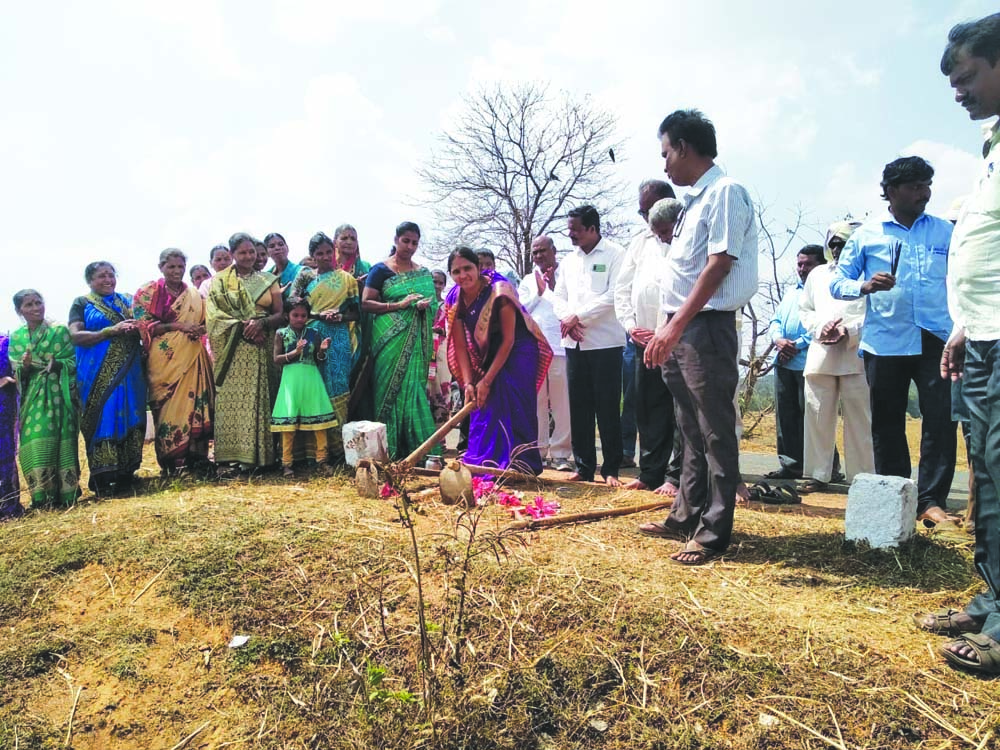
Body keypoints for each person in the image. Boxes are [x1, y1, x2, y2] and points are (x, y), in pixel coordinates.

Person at [639, 109, 758, 565]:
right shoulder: (693, 203)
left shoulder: (726, 193)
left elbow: (718, 264)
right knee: (688, 427)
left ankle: (714, 532)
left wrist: (675, 324)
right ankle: (685, 515)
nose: (665, 163)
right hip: (684, 325)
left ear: (684, 147)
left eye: (666, 152)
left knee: (714, 428)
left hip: (704, 326)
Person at [922, 12, 1000, 674]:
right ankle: (994, 598)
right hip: (980, 340)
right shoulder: (992, 147)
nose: (958, 92)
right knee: (990, 480)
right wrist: (962, 325)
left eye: (968, 76)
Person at [830, 156, 957, 527]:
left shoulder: (944, 232)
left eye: (927, 185)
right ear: (891, 191)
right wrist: (864, 286)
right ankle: (895, 496)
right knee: (886, 423)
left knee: (940, 420)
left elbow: (960, 279)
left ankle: (931, 501)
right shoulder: (867, 235)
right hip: (885, 341)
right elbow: (838, 283)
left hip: (936, 337)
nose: (925, 193)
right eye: (916, 186)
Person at [446, 247, 552, 474]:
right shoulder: (455, 298)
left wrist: (486, 381)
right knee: (481, 405)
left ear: (478, 268)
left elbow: (509, 339)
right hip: (489, 353)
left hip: (518, 350)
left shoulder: (499, 290)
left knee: (512, 404)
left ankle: (521, 465)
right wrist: (468, 384)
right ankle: (487, 463)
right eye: (456, 271)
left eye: (468, 268)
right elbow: (461, 347)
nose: (463, 275)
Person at [552, 204, 627, 486]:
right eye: (569, 230)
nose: (571, 235)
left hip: (605, 343)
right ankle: (583, 466)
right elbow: (557, 296)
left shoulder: (615, 254)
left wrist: (578, 317)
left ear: (592, 228)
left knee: (607, 407)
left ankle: (611, 469)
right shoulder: (569, 261)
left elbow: (614, 295)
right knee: (579, 407)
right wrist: (567, 318)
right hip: (573, 344)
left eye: (576, 230)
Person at [615, 185, 681, 494]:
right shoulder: (639, 242)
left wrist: (667, 330)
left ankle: (676, 477)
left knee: (682, 410)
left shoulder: (686, 236)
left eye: (650, 210)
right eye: (642, 212)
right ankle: (651, 473)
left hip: (679, 337)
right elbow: (623, 289)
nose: (647, 218)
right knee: (648, 407)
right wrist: (630, 326)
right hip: (642, 340)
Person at [798, 225, 873, 493]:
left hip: (858, 353)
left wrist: (850, 331)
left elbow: (876, 313)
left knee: (860, 419)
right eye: (834, 243)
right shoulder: (818, 274)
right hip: (821, 354)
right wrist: (822, 327)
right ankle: (819, 474)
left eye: (845, 243)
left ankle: (862, 477)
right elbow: (805, 310)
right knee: (817, 415)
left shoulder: (869, 272)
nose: (838, 249)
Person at [361, 222, 440, 460]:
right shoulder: (380, 270)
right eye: (406, 240)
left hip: (416, 341)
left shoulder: (423, 272)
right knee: (387, 391)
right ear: (396, 239)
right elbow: (366, 303)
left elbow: (434, 304)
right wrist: (399, 305)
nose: (410, 247)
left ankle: (419, 451)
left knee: (414, 390)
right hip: (389, 341)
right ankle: (389, 449)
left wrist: (425, 306)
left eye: (415, 242)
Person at [133, 249, 215, 475]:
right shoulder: (148, 292)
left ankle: (198, 459)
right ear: (161, 267)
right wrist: (177, 327)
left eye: (180, 267)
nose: (176, 271)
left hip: (192, 355)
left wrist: (198, 329)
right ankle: (173, 463)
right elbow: (144, 326)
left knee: (195, 403)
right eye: (171, 267)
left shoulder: (194, 296)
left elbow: (205, 321)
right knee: (169, 409)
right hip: (164, 361)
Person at [68, 262, 147, 495]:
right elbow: (75, 335)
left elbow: (147, 322)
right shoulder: (82, 303)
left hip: (131, 371)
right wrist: (109, 331)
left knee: (131, 413)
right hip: (96, 374)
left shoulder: (128, 300)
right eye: (101, 276)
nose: (108, 280)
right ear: (90, 281)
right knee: (103, 416)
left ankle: (126, 473)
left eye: (111, 275)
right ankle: (102, 477)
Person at [207, 232, 283, 472]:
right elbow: (214, 316)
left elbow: (281, 314)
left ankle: (264, 458)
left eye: (252, 252)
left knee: (264, 396)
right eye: (242, 252)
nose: (248, 256)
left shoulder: (269, 280)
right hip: (233, 349)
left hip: (263, 344)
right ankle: (234, 456)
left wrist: (261, 324)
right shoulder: (219, 282)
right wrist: (243, 326)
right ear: (232, 255)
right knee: (235, 401)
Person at [8, 290, 81, 510]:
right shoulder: (17, 337)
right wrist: (26, 365)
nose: (36, 308)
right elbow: (17, 370)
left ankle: (66, 496)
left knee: (61, 443)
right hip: (32, 400)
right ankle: (41, 497)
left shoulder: (59, 331)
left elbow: (73, 360)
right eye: (29, 305)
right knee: (32, 444)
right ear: (20, 310)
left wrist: (57, 365)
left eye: (38, 302)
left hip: (58, 396)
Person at [293, 231, 360, 445]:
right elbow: (292, 303)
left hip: (338, 336)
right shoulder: (305, 277)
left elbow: (356, 313)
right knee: (312, 384)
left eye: (328, 252)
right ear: (312, 255)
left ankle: (337, 445)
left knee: (338, 384)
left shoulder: (347, 280)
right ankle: (312, 448)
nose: (325, 257)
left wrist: (340, 316)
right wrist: (316, 315)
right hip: (312, 334)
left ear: (334, 251)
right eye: (319, 253)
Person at [765, 244, 825, 480]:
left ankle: (825, 468)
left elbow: (822, 324)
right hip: (783, 362)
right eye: (800, 264)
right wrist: (779, 340)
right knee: (786, 419)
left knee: (814, 418)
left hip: (809, 362)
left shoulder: (825, 292)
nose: (802, 269)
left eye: (808, 264)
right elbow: (775, 320)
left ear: (820, 265)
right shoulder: (792, 293)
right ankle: (791, 466)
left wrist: (797, 344)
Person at [518, 235, 573, 471]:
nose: (539, 256)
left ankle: (561, 453)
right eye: (535, 252)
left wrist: (550, 288)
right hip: (535, 347)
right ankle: (538, 452)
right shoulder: (528, 280)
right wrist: (539, 292)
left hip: (561, 346)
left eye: (543, 251)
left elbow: (571, 307)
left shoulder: (567, 274)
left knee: (562, 403)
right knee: (537, 401)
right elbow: (522, 310)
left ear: (554, 251)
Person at [271, 298, 338, 477]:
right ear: (287, 316)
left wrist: (323, 350)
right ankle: (286, 463)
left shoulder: (314, 333)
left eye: (303, 315)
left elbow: (318, 359)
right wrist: (295, 352)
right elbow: (276, 359)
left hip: (311, 377)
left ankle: (322, 460)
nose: (300, 319)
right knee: (288, 420)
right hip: (290, 379)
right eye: (295, 315)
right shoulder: (281, 333)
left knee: (319, 421)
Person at [0, 333, 21, 518]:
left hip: (4, 406)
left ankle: (9, 505)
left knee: (5, 453)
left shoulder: (6, 342)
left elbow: (17, 370)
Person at [265, 232, 304, 302]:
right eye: (272, 246)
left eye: (280, 244)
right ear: (267, 253)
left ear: (287, 248)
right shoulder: (266, 278)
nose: (277, 248)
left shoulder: (301, 271)